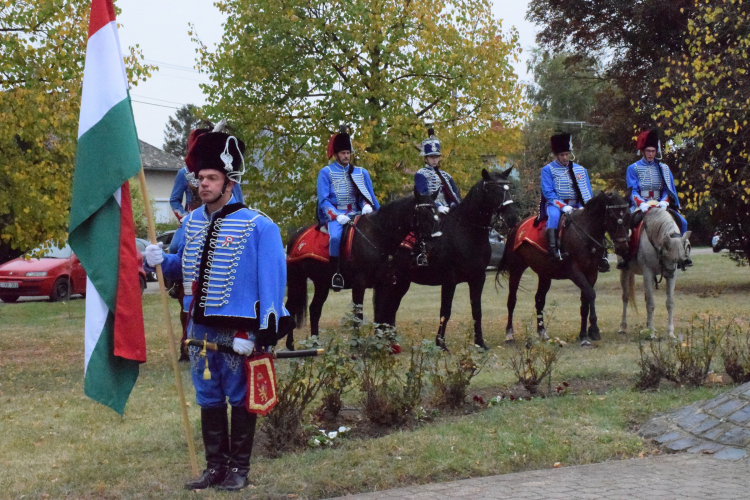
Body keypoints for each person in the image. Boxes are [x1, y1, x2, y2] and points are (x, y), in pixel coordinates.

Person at [144, 130, 291, 492]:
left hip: (239, 332)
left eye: (211, 178)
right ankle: (215, 468)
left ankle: (239, 469)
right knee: (207, 396)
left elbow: (272, 287)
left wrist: (261, 335)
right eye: (200, 178)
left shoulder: (260, 226)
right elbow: (184, 268)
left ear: (229, 181)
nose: (203, 184)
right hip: (199, 330)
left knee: (240, 396)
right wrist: (160, 260)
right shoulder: (191, 223)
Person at [618, 129, 692, 269]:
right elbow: (633, 190)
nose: (651, 154)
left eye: (653, 151)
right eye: (648, 151)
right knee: (628, 225)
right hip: (641, 204)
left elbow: (667, 189)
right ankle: (626, 257)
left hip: (660, 204)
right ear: (643, 151)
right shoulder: (633, 168)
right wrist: (641, 203)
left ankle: (684, 253)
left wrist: (665, 201)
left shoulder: (664, 168)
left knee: (682, 221)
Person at [317, 127, 379, 289]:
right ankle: (335, 273)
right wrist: (336, 216)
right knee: (336, 237)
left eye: (348, 153)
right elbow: (323, 201)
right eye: (343, 153)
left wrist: (366, 205)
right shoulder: (326, 172)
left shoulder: (361, 172)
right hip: (337, 214)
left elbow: (365, 196)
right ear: (336, 154)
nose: (346, 156)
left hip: (357, 213)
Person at [540, 133, 608, 271]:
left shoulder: (580, 170)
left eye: (567, 154)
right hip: (556, 204)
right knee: (553, 217)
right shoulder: (548, 170)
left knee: (595, 220)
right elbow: (548, 193)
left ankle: (603, 254)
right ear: (556, 155)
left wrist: (588, 207)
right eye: (562, 155)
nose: (565, 157)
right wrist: (563, 207)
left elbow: (587, 191)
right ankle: (554, 250)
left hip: (577, 203)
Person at [170, 127, 245, 222]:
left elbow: (238, 198)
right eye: (201, 178)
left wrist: (239, 217)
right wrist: (184, 217)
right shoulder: (183, 173)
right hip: (194, 221)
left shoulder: (226, 172)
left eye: (212, 178)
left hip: (226, 219)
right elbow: (174, 200)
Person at [414, 128, 460, 213]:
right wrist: (438, 207)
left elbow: (454, 195)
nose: (434, 160)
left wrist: (452, 205)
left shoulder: (446, 176)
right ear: (426, 158)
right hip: (430, 211)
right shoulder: (421, 174)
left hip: (448, 209)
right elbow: (423, 195)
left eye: (437, 157)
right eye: (432, 157)